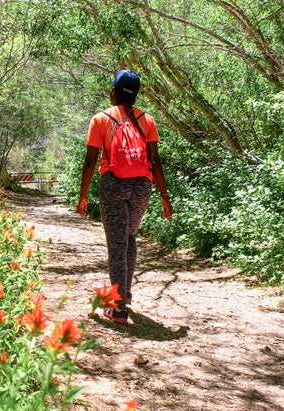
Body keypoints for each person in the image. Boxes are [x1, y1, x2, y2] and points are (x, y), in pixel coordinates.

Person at [77, 69, 173, 325]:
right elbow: (155, 160)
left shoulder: (101, 119)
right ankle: (125, 295)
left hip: (114, 184)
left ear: (115, 91)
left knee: (117, 244)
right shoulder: (147, 120)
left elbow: (90, 161)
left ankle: (118, 308)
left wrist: (83, 195)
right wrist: (165, 196)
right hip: (143, 186)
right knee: (129, 238)